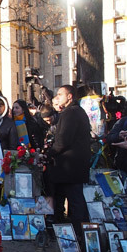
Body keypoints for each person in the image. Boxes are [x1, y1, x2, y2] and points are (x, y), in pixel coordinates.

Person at [45, 85, 91, 225]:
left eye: (60, 94)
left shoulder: (70, 113)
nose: (57, 97)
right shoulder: (76, 111)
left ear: (69, 96)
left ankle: (79, 233)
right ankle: (72, 231)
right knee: (69, 200)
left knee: (74, 201)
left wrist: (49, 153)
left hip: (70, 167)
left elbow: (63, 140)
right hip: (72, 166)